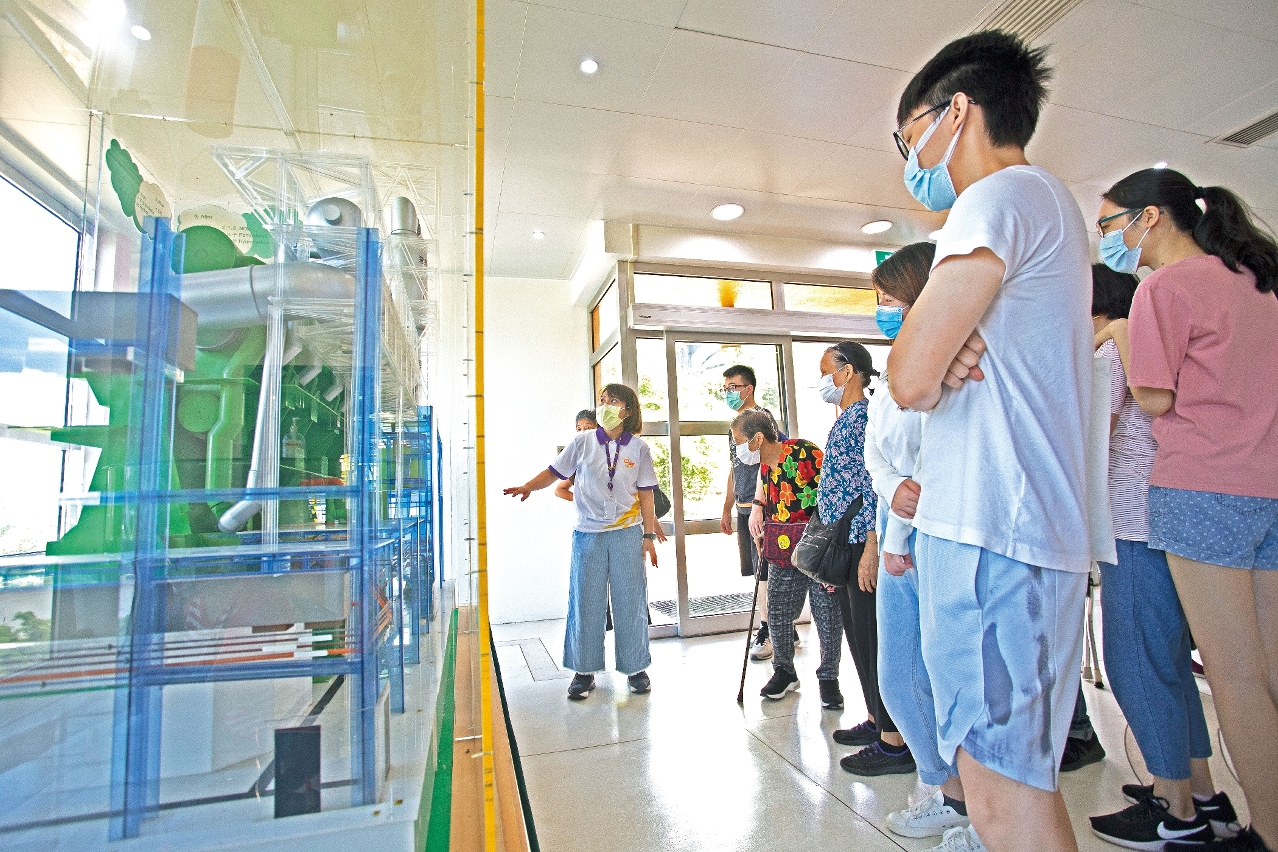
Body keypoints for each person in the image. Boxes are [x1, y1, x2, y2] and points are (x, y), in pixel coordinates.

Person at [886, 31, 1113, 852]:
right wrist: (938, 344)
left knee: (1003, 794)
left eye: (910, 138)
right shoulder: (1042, 204)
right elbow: (927, 366)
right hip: (999, 528)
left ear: (957, 112)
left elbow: (909, 378)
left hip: (998, 531)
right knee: (1002, 786)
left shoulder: (997, 198)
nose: (911, 161)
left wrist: (926, 347)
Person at [1094, 167, 1278, 852]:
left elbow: (1154, 397)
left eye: (1110, 223)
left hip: (1202, 491)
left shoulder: (1164, 288)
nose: (1108, 237)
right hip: (1267, 489)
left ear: (1150, 217)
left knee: (1234, 680)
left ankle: (1267, 831)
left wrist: (1118, 334)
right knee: (1268, 674)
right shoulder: (1258, 283)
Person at [1085, 261, 1241, 849]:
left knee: (1135, 662)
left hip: (1130, 525)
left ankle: (1176, 812)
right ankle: (1202, 792)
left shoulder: (1109, 355)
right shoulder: (1151, 350)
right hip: (1170, 519)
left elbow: (1091, 442)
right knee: (1169, 662)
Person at [863, 243, 982, 851]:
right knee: (900, 678)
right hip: (899, 525)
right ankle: (947, 789)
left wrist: (898, 530)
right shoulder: (892, 373)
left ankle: (978, 810)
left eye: (890, 299)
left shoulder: (958, 357)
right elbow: (878, 454)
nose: (883, 311)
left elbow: (942, 451)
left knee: (957, 679)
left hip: (938, 531)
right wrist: (891, 500)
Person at [503, 384, 666, 700]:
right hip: (588, 535)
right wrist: (528, 486)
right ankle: (583, 672)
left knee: (630, 601)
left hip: (627, 533)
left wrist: (648, 536)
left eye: (612, 401)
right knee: (585, 602)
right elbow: (553, 473)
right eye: (602, 400)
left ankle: (635, 668)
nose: (604, 405)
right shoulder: (582, 442)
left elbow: (646, 495)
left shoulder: (639, 449)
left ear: (627, 410)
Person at [814, 342, 912, 774]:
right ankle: (875, 719)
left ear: (850, 371)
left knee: (874, 639)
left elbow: (874, 485)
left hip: (862, 542)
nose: (823, 381)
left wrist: (872, 546)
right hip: (844, 544)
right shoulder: (845, 419)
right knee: (857, 636)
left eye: (827, 371)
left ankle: (894, 740)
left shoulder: (864, 417)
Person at [736, 408, 840, 702]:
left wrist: (833, 543)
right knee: (778, 611)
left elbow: (833, 493)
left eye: (739, 442)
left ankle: (829, 678)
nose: (738, 449)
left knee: (827, 615)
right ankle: (784, 672)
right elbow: (775, 506)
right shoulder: (765, 468)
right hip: (782, 551)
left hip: (817, 550)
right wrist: (763, 532)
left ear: (758, 438)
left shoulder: (804, 452)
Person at [718, 365, 786, 661]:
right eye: (725, 388)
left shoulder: (762, 419)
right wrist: (727, 508)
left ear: (749, 389)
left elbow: (770, 462)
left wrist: (760, 503)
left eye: (733, 387)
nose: (728, 393)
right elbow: (734, 469)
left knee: (766, 574)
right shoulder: (734, 427)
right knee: (758, 573)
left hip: (764, 509)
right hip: (744, 508)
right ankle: (782, 627)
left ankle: (769, 630)